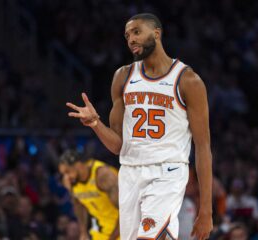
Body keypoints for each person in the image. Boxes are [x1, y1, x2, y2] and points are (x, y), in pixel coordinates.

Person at [66, 13, 212, 239]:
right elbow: (117, 146)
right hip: (130, 171)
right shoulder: (122, 77)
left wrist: (206, 210)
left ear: (156, 33)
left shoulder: (187, 80)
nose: (131, 39)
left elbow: (203, 147)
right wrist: (96, 123)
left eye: (136, 32)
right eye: (127, 35)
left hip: (168, 170)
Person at [58, 150, 119, 240]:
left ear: (78, 165)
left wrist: (112, 238)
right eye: (63, 174)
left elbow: (127, 211)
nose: (66, 177)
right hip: (101, 230)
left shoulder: (103, 176)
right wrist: (83, 232)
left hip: (123, 228)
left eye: (67, 171)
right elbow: (78, 205)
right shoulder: (71, 181)